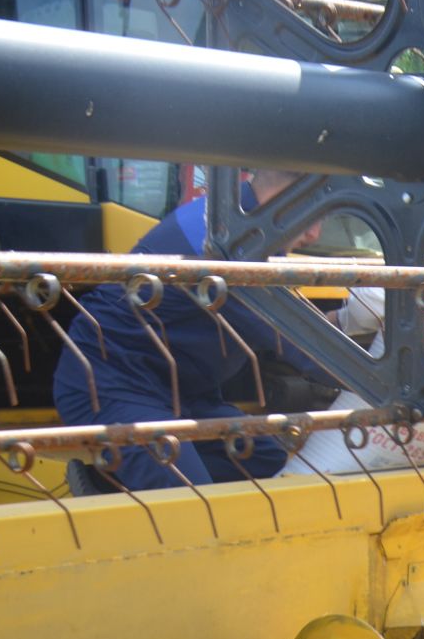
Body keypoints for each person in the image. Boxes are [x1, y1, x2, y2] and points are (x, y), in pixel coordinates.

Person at [52, 170, 334, 491]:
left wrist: (356, 318)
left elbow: (296, 322)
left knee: (265, 463)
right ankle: (107, 486)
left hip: (183, 392)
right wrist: (386, 376)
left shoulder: (243, 226)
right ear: (278, 197)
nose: (314, 234)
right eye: (310, 213)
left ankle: (117, 479)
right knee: (188, 498)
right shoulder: (220, 243)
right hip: (114, 384)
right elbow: (301, 343)